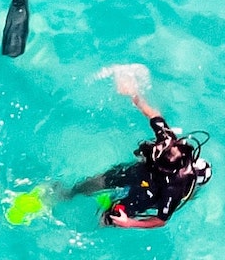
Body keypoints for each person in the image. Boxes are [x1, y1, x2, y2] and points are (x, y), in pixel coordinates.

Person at [66, 80, 212, 229]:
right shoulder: (167, 141)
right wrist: (135, 95)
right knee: (96, 182)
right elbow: (154, 116)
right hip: (138, 172)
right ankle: (68, 194)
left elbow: (161, 220)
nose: (155, 151)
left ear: (165, 168)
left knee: (109, 219)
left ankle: (98, 221)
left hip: (149, 195)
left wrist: (129, 223)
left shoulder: (173, 188)